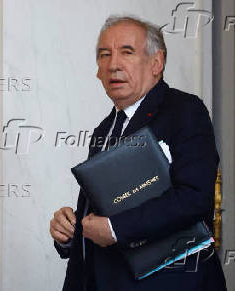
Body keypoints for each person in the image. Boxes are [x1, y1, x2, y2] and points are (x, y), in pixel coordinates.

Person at [50, 15, 227, 291]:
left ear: (156, 63)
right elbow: (107, 211)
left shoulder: (185, 111)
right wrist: (70, 232)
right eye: (104, 55)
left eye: (127, 52)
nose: (113, 64)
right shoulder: (103, 130)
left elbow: (194, 198)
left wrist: (115, 229)